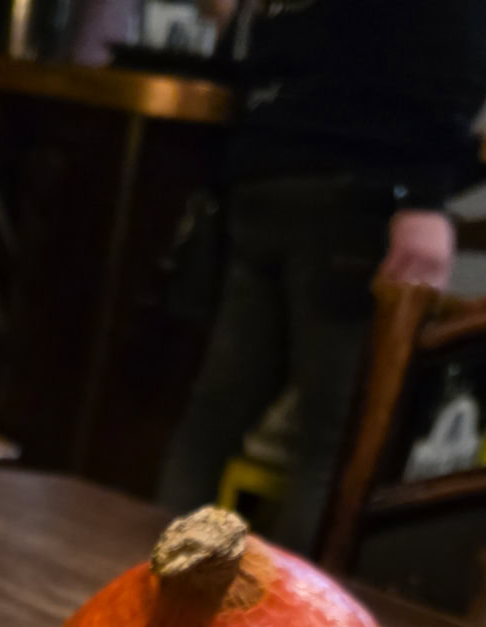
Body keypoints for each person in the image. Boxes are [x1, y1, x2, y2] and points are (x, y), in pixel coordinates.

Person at [159, 0, 486, 555]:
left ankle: (152, 593)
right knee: (329, 448)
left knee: (214, 418)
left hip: (263, 182)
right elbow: (442, 71)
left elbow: (258, 61)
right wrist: (423, 195)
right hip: (358, 192)